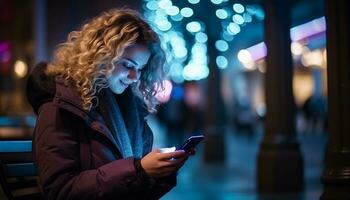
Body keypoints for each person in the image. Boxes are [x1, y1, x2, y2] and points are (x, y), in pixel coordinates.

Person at [26, 8, 193, 200]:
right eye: (128, 65)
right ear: (101, 57)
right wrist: (137, 169)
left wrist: (162, 172)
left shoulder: (130, 110)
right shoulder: (60, 106)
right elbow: (60, 191)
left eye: (140, 68)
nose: (134, 77)